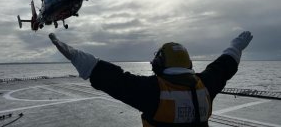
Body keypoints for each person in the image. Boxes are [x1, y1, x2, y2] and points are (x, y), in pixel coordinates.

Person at [49, 31, 253, 127]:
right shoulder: (205, 86)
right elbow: (224, 66)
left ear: (159, 64)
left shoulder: (153, 91)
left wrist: (72, 53)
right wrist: (236, 46)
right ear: (187, 64)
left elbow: (108, 76)